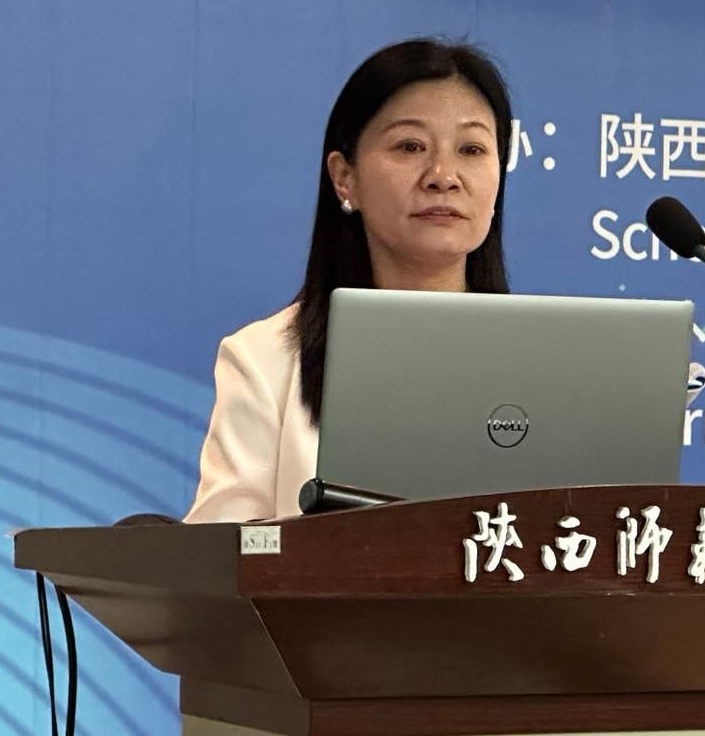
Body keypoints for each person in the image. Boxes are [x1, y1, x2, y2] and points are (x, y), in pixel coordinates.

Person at [184, 37, 513, 522]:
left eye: (472, 149)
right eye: (410, 146)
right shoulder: (265, 362)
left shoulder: (550, 364)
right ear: (345, 178)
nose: (444, 176)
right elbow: (220, 558)